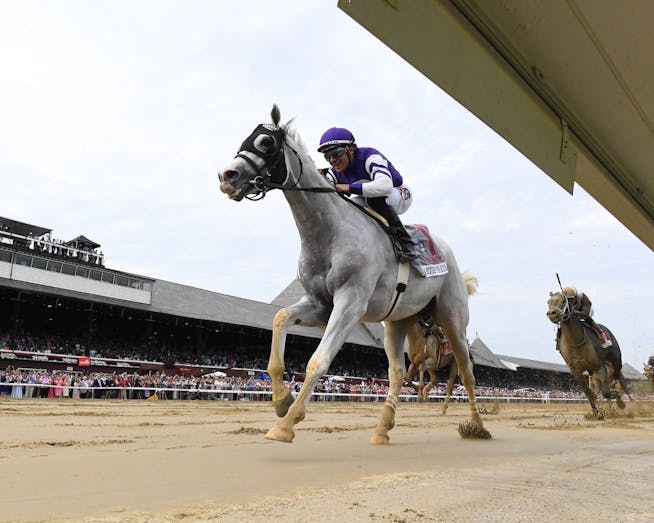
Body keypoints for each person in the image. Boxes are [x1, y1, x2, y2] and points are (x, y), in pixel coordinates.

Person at [317, 127, 418, 262]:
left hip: (398, 194)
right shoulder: (334, 172)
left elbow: (385, 186)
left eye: (336, 153)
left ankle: (407, 243)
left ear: (351, 149)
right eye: (327, 156)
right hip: (371, 197)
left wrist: (349, 187)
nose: (332, 160)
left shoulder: (370, 156)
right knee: (348, 208)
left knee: (374, 198)